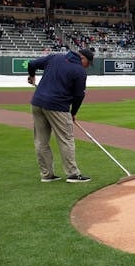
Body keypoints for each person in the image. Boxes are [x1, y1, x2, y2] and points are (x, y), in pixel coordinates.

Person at [27, 46, 94, 182]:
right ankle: (73, 174)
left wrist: (32, 75)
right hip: (57, 106)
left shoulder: (55, 57)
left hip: (37, 102)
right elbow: (78, 96)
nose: (87, 67)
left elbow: (31, 64)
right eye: (88, 63)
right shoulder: (79, 71)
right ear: (83, 58)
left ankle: (47, 175)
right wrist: (73, 113)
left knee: (41, 141)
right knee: (66, 139)